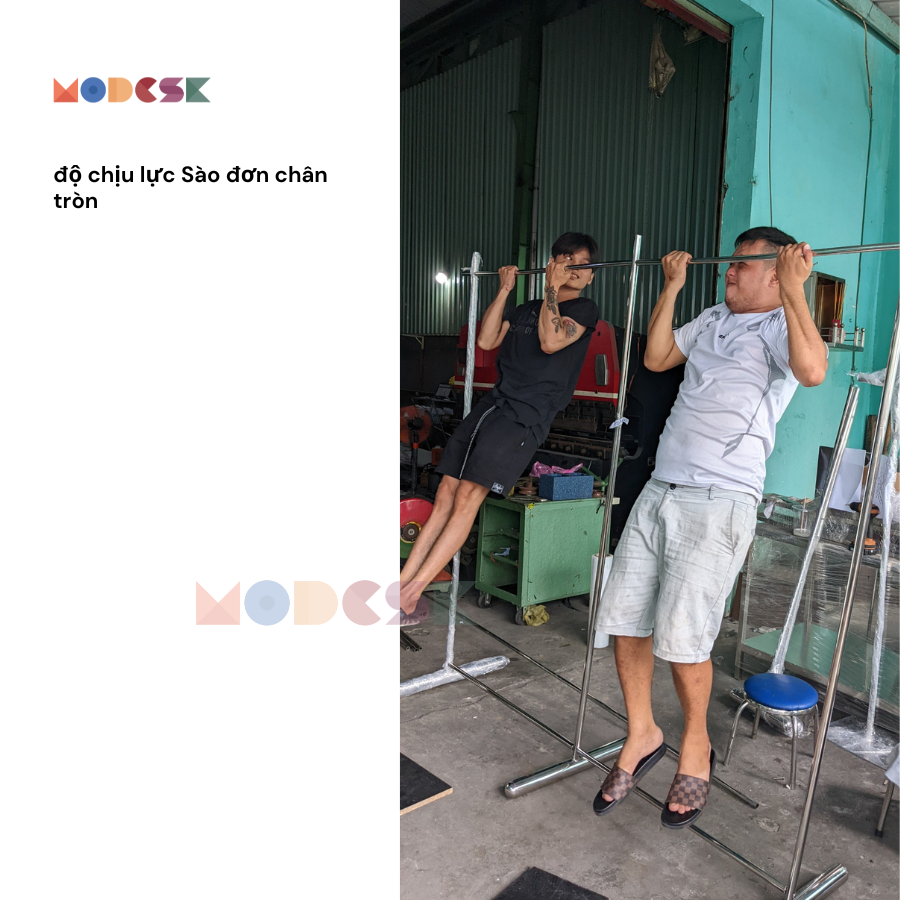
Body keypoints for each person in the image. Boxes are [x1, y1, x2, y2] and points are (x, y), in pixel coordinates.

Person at [591, 226, 827, 828]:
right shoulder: (714, 317)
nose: (729, 271)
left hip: (720, 500)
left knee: (684, 640)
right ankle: (642, 733)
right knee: (624, 621)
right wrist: (671, 286)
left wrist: (797, 290)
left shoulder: (781, 326)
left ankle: (696, 746)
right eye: (731, 264)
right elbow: (657, 357)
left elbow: (812, 371)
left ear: (774, 273)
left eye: (743, 265)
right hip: (661, 488)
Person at [399, 232, 601, 615]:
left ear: (591, 275)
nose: (573, 269)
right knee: (446, 491)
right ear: (553, 263)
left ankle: (412, 593)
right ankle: (403, 582)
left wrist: (552, 289)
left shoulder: (585, 311)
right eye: (566, 260)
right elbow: (487, 340)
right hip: (493, 405)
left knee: (467, 498)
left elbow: (551, 341)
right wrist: (505, 289)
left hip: (525, 416)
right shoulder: (527, 308)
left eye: (581, 264)